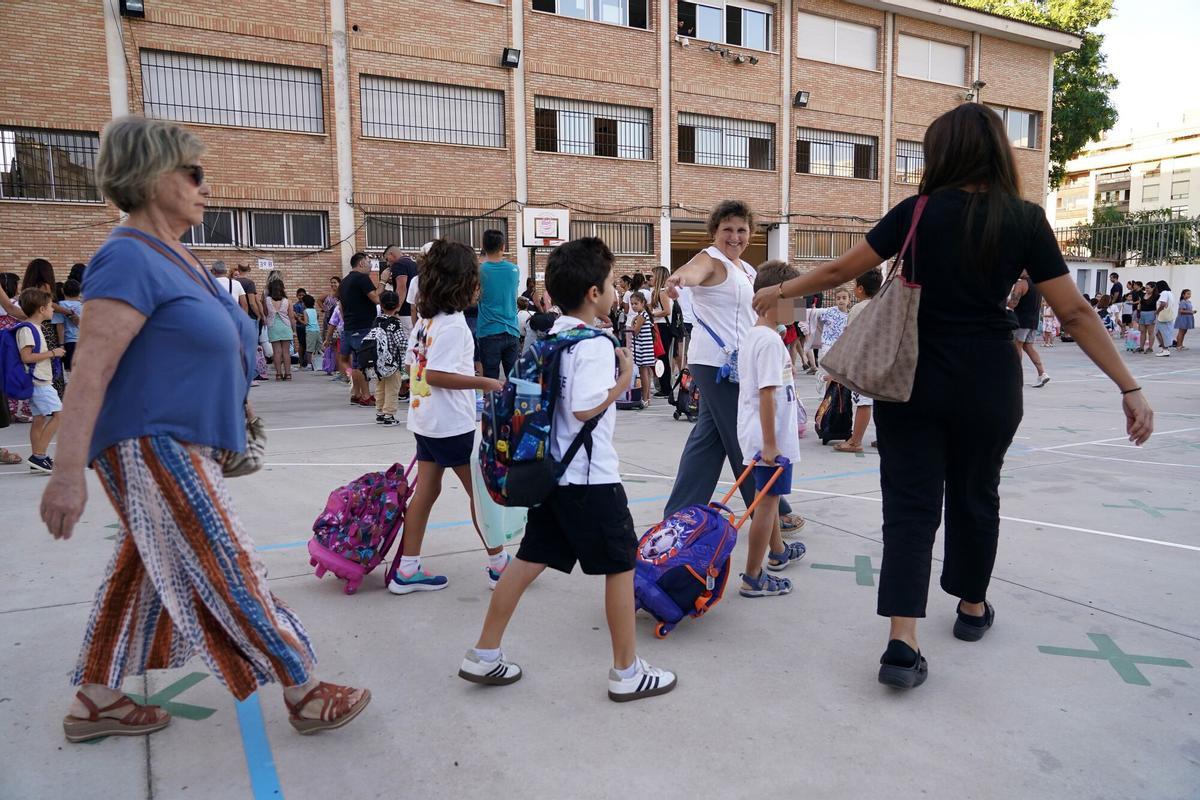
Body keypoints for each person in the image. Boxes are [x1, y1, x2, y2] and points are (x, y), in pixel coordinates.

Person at [753, 103, 1154, 690]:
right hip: (989, 380)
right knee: (976, 492)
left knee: (909, 504)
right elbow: (1073, 311)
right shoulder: (1024, 219)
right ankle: (971, 606)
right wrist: (1129, 386)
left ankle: (902, 641)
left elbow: (840, 271)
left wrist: (778, 292)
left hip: (910, 378)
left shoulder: (916, 212)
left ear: (940, 153)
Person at [38, 115, 369, 741]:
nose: (205, 185)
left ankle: (96, 699)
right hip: (151, 440)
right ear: (150, 176)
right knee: (224, 557)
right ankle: (302, 687)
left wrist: (239, 416)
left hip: (184, 441)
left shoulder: (177, 257)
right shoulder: (127, 255)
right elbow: (90, 370)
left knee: (143, 570)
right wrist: (66, 474)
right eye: (192, 172)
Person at [458, 237, 677, 702]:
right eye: (611, 284)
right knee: (621, 566)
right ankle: (626, 671)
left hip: (551, 476)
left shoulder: (549, 338)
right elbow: (583, 408)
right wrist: (623, 380)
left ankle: (484, 652)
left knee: (526, 561)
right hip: (592, 479)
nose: (615, 292)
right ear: (594, 294)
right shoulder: (594, 344)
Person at [662, 200, 805, 533]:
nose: (735, 236)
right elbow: (691, 272)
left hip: (740, 363)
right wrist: (678, 279)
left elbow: (773, 310)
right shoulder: (710, 259)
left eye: (742, 230)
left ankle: (680, 513)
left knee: (708, 440)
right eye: (727, 229)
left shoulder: (747, 269)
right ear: (715, 231)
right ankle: (770, 512)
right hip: (717, 364)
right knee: (745, 437)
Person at [389, 240, 507, 595]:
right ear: (461, 283)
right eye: (474, 280)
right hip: (450, 425)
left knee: (427, 490)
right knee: (481, 495)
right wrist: (486, 381)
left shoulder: (427, 321)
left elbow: (415, 367)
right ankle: (499, 564)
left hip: (426, 420)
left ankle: (408, 568)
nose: (478, 287)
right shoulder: (453, 325)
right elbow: (436, 375)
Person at [736, 261, 807, 598]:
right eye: (795, 298)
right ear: (773, 300)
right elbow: (766, 394)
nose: (800, 306)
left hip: (766, 436)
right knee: (766, 505)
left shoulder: (761, 337)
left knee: (770, 499)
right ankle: (753, 576)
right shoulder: (769, 343)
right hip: (769, 440)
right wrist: (770, 444)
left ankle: (778, 552)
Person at [15, 289, 66, 473]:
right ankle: (39, 456)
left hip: (39, 381)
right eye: (51, 306)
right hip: (39, 382)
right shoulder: (27, 329)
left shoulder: (34, 328)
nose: (53, 309)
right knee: (60, 415)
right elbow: (26, 357)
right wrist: (53, 353)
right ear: (42, 309)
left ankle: (38, 459)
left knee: (39, 419)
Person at [833, 269, 883, 454]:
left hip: (863, 363)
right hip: (881, 361)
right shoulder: (884, 305)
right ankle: (884, 437)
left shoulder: (859, 308)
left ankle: (855, 441)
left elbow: (851, 337)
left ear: (860, 289)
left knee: (863, 402)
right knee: (880, 402)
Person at [477, 228, 521, 380]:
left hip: (488, 330)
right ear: (503, 246)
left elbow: (476, 296)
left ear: (483, 246)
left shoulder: (480, 271)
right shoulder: (514, 269)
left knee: (490, 380)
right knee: (513, 381)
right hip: (512, 330)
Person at [22, 258, 67, 399]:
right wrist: (69, 312)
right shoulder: (45, 286)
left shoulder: (28, 287)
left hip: (35, 322)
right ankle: (54, 394)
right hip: (46, 326)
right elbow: (51, 304)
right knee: (51, 359)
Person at [340, 252, 380, 405]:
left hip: (349, 327)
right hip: (362, 327)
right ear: (361, 263)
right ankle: (366, 395)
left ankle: (356, 393)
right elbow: (376, 298)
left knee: (355, 363)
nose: (371, 266)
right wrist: (383, 282)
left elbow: (341, 307)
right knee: (364, 363)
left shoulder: (344, 281)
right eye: (369, 262)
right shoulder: (362, 278)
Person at [0, 272, 34, 431]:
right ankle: (22, 410)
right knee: (17, 374)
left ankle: (10, 410)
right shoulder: (15, 304)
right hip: (13, 345)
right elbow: (14, 311)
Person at [1008, 270, 1050, 387]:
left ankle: (1016, 376)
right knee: (1028, 346)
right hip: (1033, 321)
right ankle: (1042, 373)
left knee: (1017, 346)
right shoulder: (1037, 285)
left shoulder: (1021, 284)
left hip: (1021, 321)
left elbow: (1013, 303)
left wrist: (1004, 304)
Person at [372, 290, 407, 426]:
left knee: (380, 388)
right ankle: (389, 415)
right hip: (392, 363)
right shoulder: (395, 323)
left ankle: (380, 412)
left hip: (378, 361)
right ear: (397, 305)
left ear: (381, 305)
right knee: (392, 389)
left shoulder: (377, 321)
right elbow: (402, 343)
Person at [813, 288, 851, 395]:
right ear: (835, 300)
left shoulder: (850, 315)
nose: (841, 300)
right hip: (828, 345)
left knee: (836, 375)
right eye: (838, 298)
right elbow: (811, 314)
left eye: (844, 298)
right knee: (833, 373)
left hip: (841, 348)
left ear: (849, 300)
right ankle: (828, 397)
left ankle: (823, 379)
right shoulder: (829, 311)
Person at [649, 266, 675, 399]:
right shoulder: (660, 292)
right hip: (660, 326)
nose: (650, 278)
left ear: (658, 277)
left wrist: (652, 315)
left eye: (653, 276)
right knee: (661, 357)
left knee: (662, 357)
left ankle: (666, 388)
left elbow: (667, 311)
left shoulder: (662, 292)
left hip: (662, 327)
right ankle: (664, 387)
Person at [264, 279, 296, 381]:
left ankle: (278, 374)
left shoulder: (267, 300)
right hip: (286, 327)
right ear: (283, 289)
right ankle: (288, 374)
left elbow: (266, 313)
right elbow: (291, 317)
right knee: (286, 352)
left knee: (276, 352)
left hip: (273, 327)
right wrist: (294, 330)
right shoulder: (288, 301)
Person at [629, 292, 656, 408]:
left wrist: (632, 323)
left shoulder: (641, 316)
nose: (633, 306)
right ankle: (647, 397)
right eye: (632, 304)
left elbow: (635, 331)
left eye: (636, 303)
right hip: (644, 347)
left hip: (642, 348)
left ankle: (644, 398)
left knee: (643, 373)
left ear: (643, 303)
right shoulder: (644, 315)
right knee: (645, 373)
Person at [59, 279, 84, 373]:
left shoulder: (60, 306)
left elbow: (60, 326)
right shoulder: (84, 305)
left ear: (62, 291)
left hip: (68, 342)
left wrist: (61, 344)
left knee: (69, 372)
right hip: (83, 341)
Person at [320, 276, 341, 375]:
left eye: (335, 282)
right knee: (331, 345)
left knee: (338, 346)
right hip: (329, 321)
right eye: (331, 282)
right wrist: (324, 309)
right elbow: (319, 300)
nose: (333, 284)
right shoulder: (328, 294)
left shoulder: (341, 294)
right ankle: (332, 367)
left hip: (339, 324)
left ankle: (339, 369)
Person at [1153, 280, 1177, 357]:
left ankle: (1165, 349)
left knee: (1159, 332)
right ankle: (1165, 349)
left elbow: (1163, 304)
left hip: (1162, 315)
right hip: (1168, 315)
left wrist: (1157, 311)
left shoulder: (1164, 293)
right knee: (1163, 332)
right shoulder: (1170, 293)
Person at [1136, 282, 1158, 354]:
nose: (1146, 289)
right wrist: (1138, 314)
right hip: (1142, 313)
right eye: (1146, 288)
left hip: (1151, 313)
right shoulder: (1142, 295)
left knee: (1150, 332)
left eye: (1148, 288)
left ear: (1153, 288)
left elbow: (1158, 306)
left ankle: (1150, 348)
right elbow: (1139, 304)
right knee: (1142, 331)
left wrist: (1156, 317)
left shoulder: (1156, 296)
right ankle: (1141, 347)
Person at [293, 288, 310, 368]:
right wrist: (303, 316)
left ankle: (307, 361)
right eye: (299, 295)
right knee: (301, 344)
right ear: (297, 296)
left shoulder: (308, 305)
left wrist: (301, 315)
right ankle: (301, 361)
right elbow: (295, 316)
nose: (301, 297)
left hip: (308, 327)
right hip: (300, 327)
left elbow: (309, 315)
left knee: (307, 344)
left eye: (303, 295)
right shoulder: (296, 305)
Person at [302, 294, 320, 370]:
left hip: (310, 331)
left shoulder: (305, 311)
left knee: (309, 349)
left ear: (305, 303)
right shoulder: (315, 310)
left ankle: (309, 365)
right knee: (319, 347)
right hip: (317, 330)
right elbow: (316, 318)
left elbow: (306, 323)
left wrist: (298, 319)